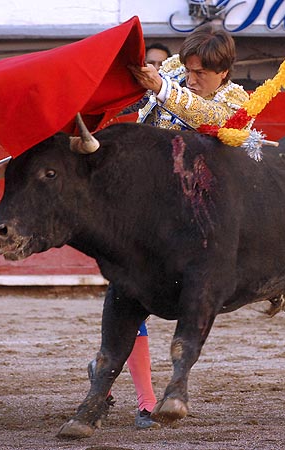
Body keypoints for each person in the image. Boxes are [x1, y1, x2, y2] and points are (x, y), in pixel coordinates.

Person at [94, 23, 249, 431]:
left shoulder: (237, 99)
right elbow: (135, 94)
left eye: (202, 74)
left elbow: (210, 116)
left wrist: (162, 87)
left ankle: (103, 371)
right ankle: (146, 400)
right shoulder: (177, 68)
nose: (191, 78)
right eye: (189, 70)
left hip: (193, 225)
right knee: (126, 296)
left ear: (224, 72)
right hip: (143, 207)